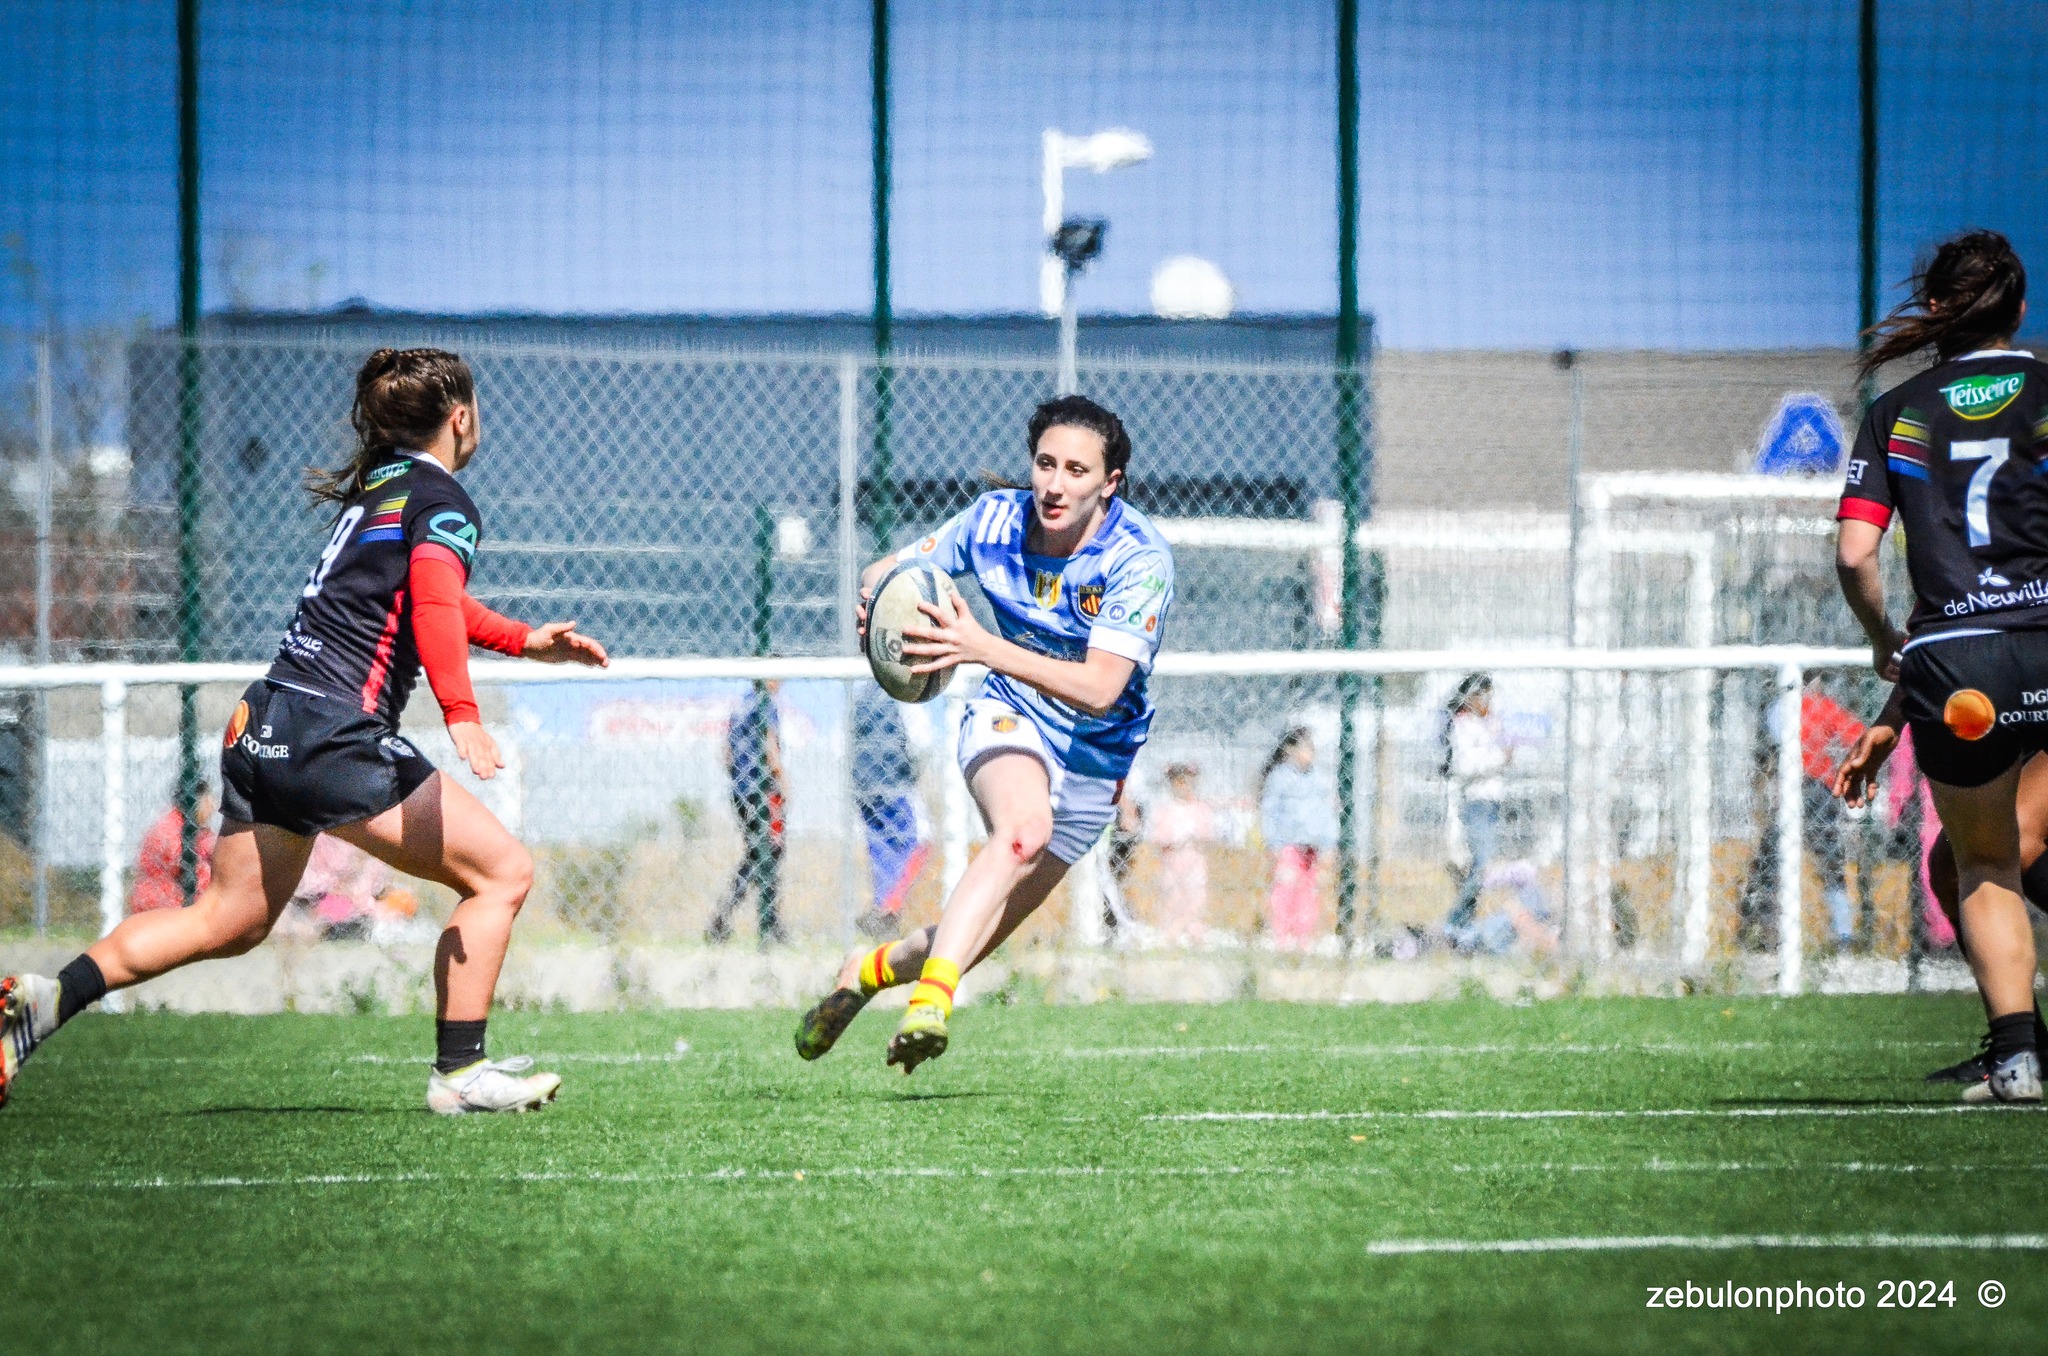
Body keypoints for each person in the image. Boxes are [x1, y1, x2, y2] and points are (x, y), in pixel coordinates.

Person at [0, 347, 609, 1114]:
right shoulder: (443, 501)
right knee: (502, 874)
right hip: (331, 734)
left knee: (230, 919)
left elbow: (424, 600)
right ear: (461, 417)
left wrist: (523, 640)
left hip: (265, 720)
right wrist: (462, 714)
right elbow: (430, 605)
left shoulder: (380, 489)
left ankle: (49, 1001)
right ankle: (461, 1073)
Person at [793, 394, 1174, 1071]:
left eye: (1077, 471)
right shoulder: (993, 520)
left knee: (970, 938)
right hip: (1011, 711)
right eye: (1045, 464)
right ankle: (932, 1006)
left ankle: (870, 970)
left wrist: (978, 645)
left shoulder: (1138, 560)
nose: (1055, 485)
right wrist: (874, 604)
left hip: (1094, 756)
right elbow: (887, 571)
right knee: (1022, 831)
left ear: (1110, 483)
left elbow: (1100, 687)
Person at [1833, 229, 2044, 1102]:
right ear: (2021, 308)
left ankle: (2019, 1057)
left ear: (1935, 311)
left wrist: (1890, 649)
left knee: (1985, 863)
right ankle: (2016, 1045)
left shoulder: (1901, 412)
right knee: (1974, 865)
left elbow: (1854, 556)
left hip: (1958, 671)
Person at [1832, 688, 2048, 1087]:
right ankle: (2023, 1045)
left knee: (2008, 840)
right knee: (1950, 869)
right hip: (2014, 706)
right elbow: (1925, 638)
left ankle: (2021, 1049)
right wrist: (1891, 719)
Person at [1737, 682, 1869, 951]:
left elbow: (1764, 758)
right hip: (1818, 789)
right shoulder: (1821, 705)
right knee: (1831, 864)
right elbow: (1856, 735)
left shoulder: (1777, 708)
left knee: (1771, 861)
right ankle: (1842, 932)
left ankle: (1760, 929)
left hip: (1789, 787)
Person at [707, 680, 787, 946]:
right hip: (763, 790)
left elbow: (726, 753)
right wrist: (782, 782)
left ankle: (728, 919)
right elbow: (770, 745)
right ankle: (767, 924)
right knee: (770, 851)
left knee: (758, 853)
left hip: (741, 791)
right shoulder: (766, 705)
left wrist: (739, 779)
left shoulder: (741, 705)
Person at [850, 685, 931, 939]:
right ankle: (887, 909)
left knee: (880, 849)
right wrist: (912, 774)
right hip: (897, 783)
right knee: (921, 841)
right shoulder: (904, 692)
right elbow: (921, 743)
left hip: (864, 786)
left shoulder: (862, 694)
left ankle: (882, 910)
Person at [1441, 675, 1506, 951]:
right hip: (1476, 802)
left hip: (1491, 800)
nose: (1488, 702)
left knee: (1481, 868)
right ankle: (1454, 921)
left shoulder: (1488, 724)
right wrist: (1500, 758)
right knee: (1481, 867)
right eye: (1483, 696)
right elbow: (1466, 766)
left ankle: (1463, 925)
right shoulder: (1463, 725)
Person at [1258, 726, 1336, 951]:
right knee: (1285, 888)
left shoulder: (1319, 779)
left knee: (1308, 891)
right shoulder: (1280, 778)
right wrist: (1272, 842)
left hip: (1313, 847)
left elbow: (1327, 812)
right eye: (1303, 748)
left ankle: (1303, 938)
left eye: (1311, 749)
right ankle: (1281, 936)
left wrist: (1329, 845)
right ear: (1290, 750)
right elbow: (1269, 811)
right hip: (1288, 845)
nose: (1308, 753)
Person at [1148, 762, 1215, 946]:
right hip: (1172, 860)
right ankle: (1172, 932)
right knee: (1172, 897)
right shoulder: (1165, 809)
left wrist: (1197, 835)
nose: (1184, 787)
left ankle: (1195, 931)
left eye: (1188, 783)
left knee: (1196, 897)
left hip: (1194, 858)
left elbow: (1207, 833)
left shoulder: (1200, 808)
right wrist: (1172, 838)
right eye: (1179, 783)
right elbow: (1158, 835)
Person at [129, 785, 219, 914]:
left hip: (177, 902)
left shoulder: (193, 829)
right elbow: (184, 863)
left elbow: (214, 848)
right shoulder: (170, 827)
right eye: (210, 801)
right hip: (162, 904)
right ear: (197, 801)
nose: (213, 807)